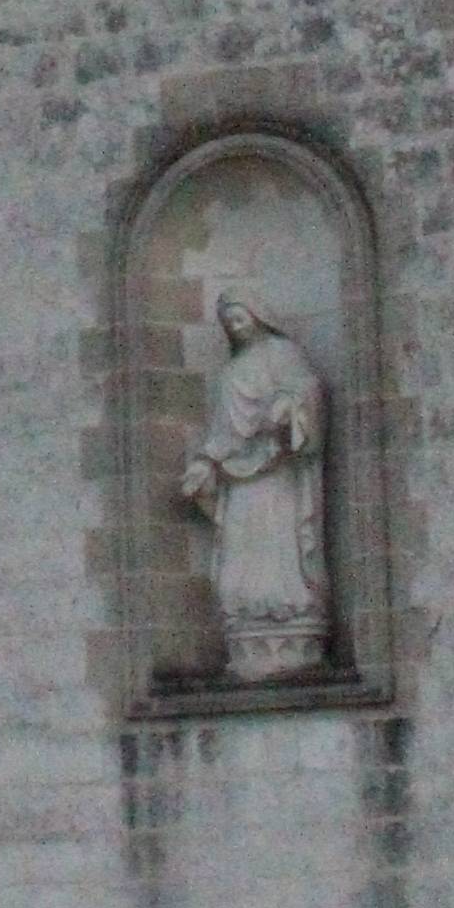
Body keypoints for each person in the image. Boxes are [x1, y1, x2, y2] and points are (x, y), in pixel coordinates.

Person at [179, 292, 332, 681]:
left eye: (240, 316)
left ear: (259, 315)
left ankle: (291, 624)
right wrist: (203, 463)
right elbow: (221, 433)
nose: (235, 325)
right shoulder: (231, 373)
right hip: (239, 481)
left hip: (277, 473)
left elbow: (307, 389)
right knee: (239, 559)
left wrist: (289, 406)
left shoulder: (281, 353)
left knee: (280, 547)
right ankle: (246, 628)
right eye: (228, 320)